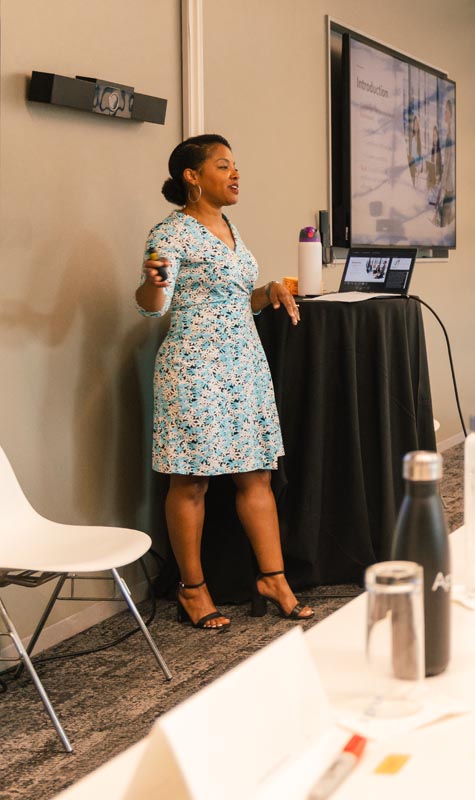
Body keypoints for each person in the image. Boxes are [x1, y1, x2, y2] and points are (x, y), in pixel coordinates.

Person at [135, 134, 313, 630]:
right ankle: (193, 590)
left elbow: (235, 299)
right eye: (223, 166)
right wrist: (152, 283)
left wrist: (269, 291)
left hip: (243, 364)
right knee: (190, 480)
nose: (235, 174)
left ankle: (273, 578)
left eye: (236, 166)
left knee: (256, 474)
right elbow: (155, 305)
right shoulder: (169, 234)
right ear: (192, 176)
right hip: (194, 366)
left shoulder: (230, 226)